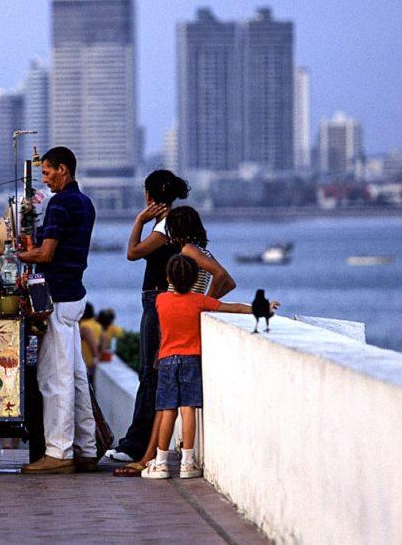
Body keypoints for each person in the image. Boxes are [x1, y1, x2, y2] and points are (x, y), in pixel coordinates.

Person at [114, 204, 237, 477]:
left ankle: (149, 458)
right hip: (182, 329)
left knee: (164, 402)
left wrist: (202, 304)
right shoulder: (200, 251)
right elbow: (225, 281)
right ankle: (149, 457)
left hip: (174, 331)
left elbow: (224, 278)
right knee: (165, 401)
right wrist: (205, 304)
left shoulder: (189, 251)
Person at [141, 254, 278, 479]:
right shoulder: (199, 301)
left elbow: (165, 294)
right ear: (195, 279)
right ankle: (187, 463)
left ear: (168, 278)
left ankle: (161, 463)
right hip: (191, 360)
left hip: (166, 361)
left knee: (167, 412)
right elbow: (232, 307)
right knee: (188, 410)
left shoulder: (161, 300)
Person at [18, 146, 98, 474]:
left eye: (48, 172)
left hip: (59, 298)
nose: (45, 179)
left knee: (54, 377)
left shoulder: (60, 204)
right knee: (77, 376)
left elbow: (47, 254)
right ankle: (86, 448)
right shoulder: (85, 203)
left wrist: (15, 257)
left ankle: (58, 452)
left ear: (63, 169)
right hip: (74, 295)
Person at [105, 170, 188, 464]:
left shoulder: (163, 227)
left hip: (156, 301)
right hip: (158, 300)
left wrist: (139, 220)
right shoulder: (171, 223)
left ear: (149, 196)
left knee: (148, 373)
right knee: (150, 372)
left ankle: (135, 445)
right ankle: (138, 442)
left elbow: (133, 252)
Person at [79, 302, 102, 383]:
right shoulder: (96, 324)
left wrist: (95, 358)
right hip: (92, 362)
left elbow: (92, 343)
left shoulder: (85, 326)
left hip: (88, 363)